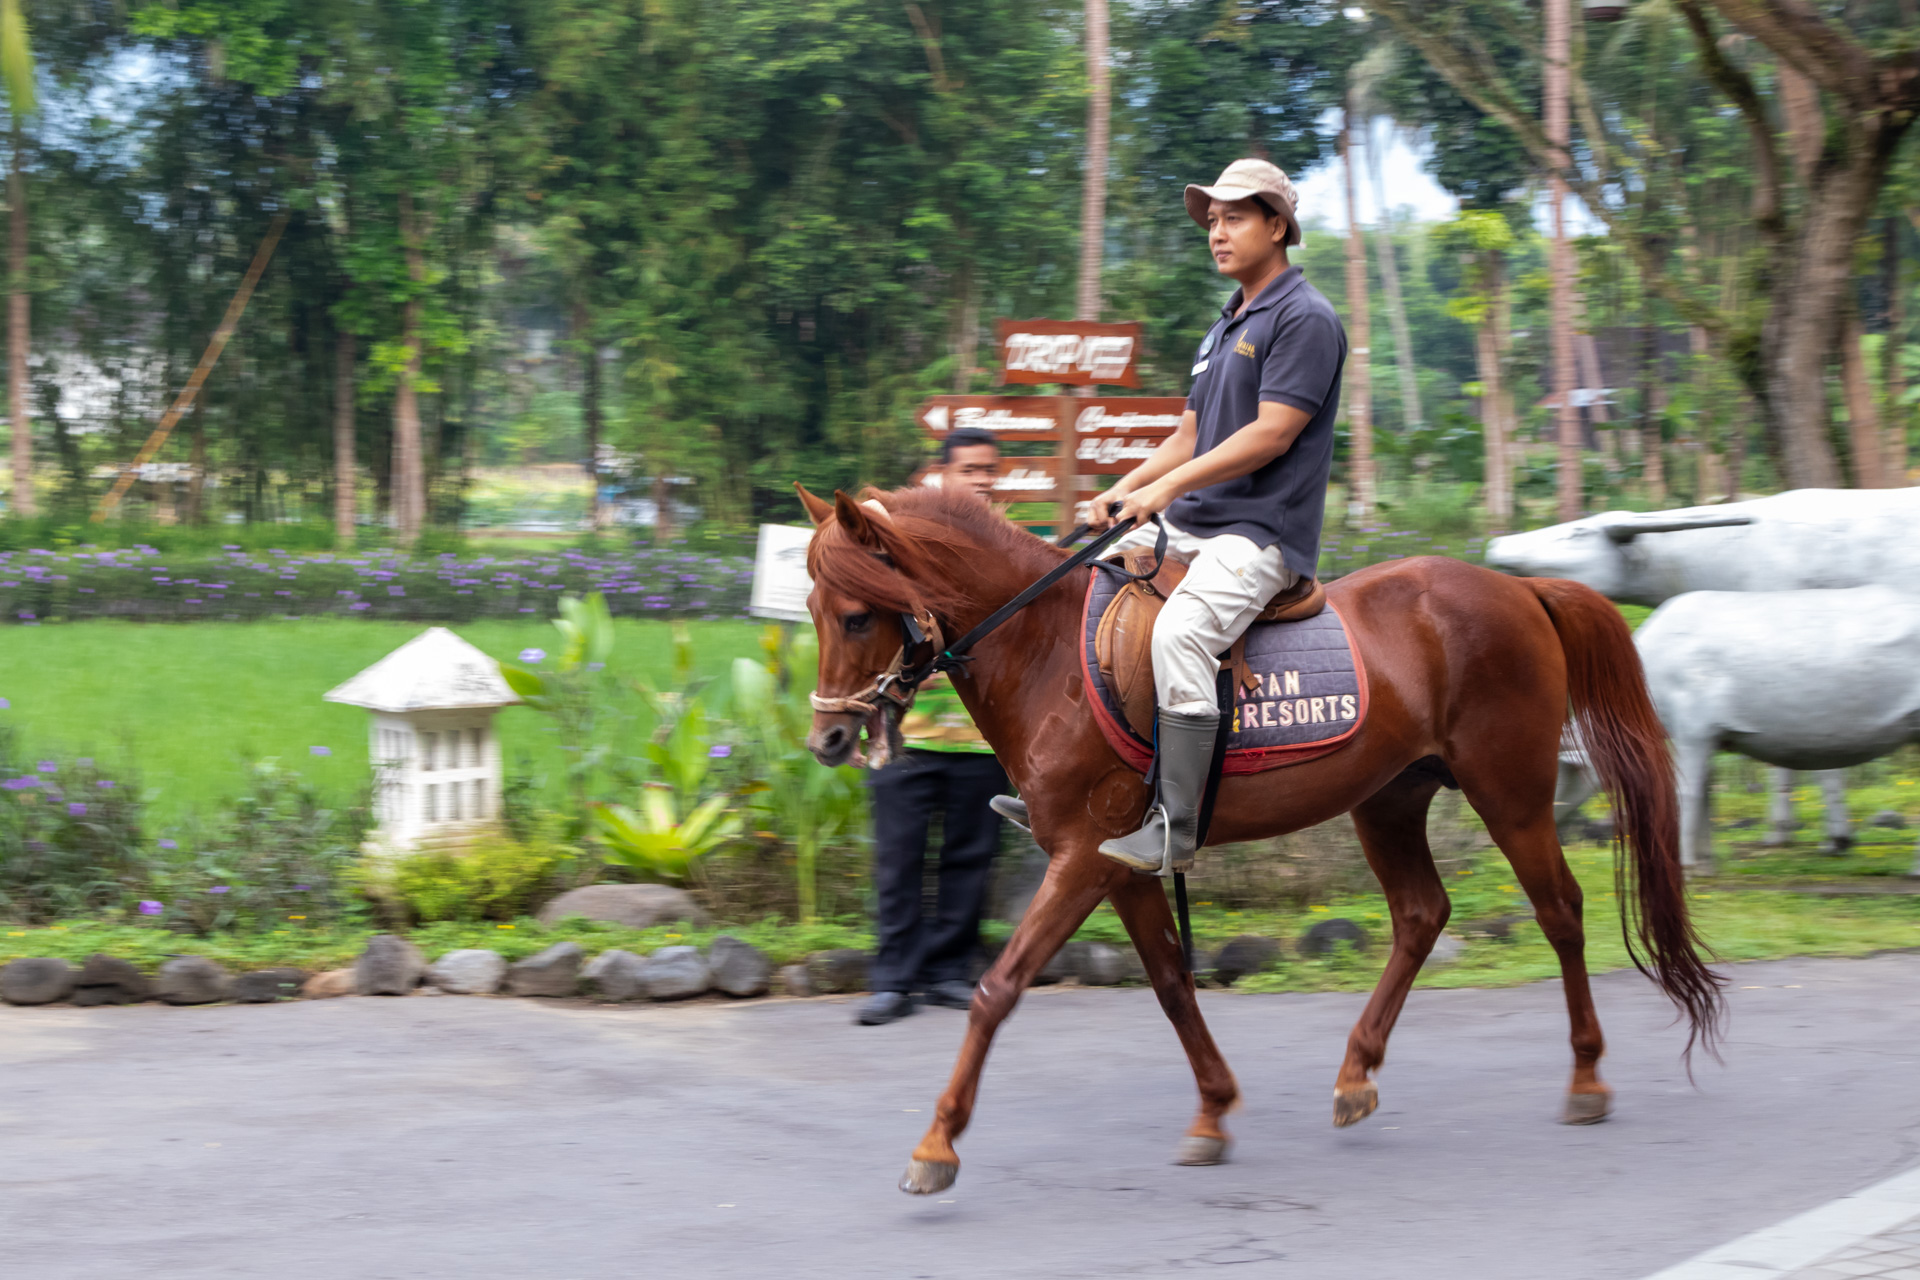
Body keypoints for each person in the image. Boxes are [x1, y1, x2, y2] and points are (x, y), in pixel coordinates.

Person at [1087, 158, 1347, 876]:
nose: (1217, 233)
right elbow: (1188, 436)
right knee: (1082, 590)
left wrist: (1165, 491)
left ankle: (1175, 828)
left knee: (1179, 633)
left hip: (1260, 534)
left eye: (1234, 217)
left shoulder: (1305, 318)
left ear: (1277, 226)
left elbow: (1272, 434)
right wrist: (1124, 489)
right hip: (1195, 521)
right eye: (1212, 221)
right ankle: (1081, 784)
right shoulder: (1224, 325)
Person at [856, 426, 1010, 1025]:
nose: (981, 480)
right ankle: (893, 981)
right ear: (937, 475)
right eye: (969, 469)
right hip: (905, 735)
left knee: (971, 857)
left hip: (982, 738)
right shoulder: (898, 548)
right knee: (898, 861)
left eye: (989, 470)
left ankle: (948, 971)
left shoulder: (1009, 549)